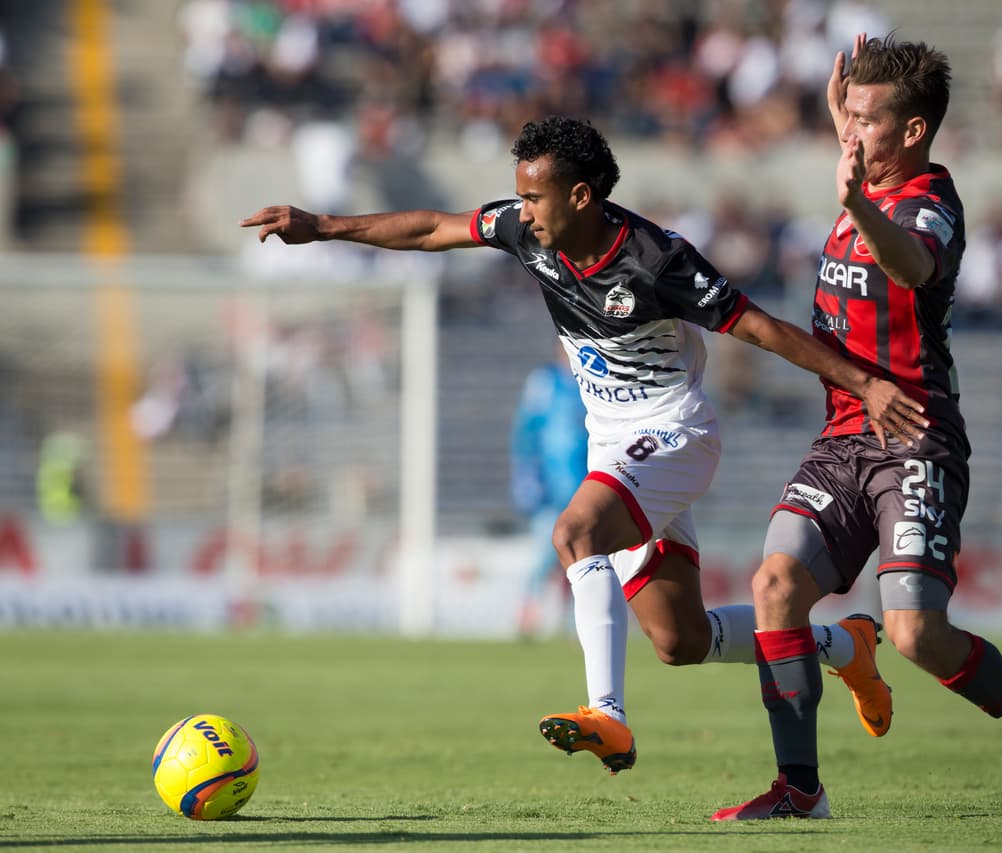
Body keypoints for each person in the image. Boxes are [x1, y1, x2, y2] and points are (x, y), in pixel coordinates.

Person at [241, 116, 928, 776]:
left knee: (575, 533)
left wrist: (863, 383)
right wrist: (325, 226)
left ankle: (608, 715)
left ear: (580, 195)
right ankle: (848, 643)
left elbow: (763, 328)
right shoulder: (527, 230)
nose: (523, 208)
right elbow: (430, 227)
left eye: (535, 195)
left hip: (675, 434)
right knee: (678, 639)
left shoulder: (656, 260)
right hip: (616, 450)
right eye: (521, 193)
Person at [712, 35, 1002, 821]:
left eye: (867, 120)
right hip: (843, 433)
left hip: (915, 434)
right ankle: (798, 789)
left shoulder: (931, 205)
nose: (851, 133)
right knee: (775, 585)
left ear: (912, 132)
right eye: (845, 116)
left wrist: (851, 202)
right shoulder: (867, 165)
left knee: (916, 632)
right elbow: (856, 139)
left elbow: (912, 267)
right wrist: (842, 109)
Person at [510, 349, 589, 636]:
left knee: (583, 558)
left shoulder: (591, 382)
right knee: (545, 554)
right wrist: (527, 474)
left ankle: (575, 624)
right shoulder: (545, 381)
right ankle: (528, 612)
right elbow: (525, 429)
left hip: (585, 487)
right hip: (549, 488)